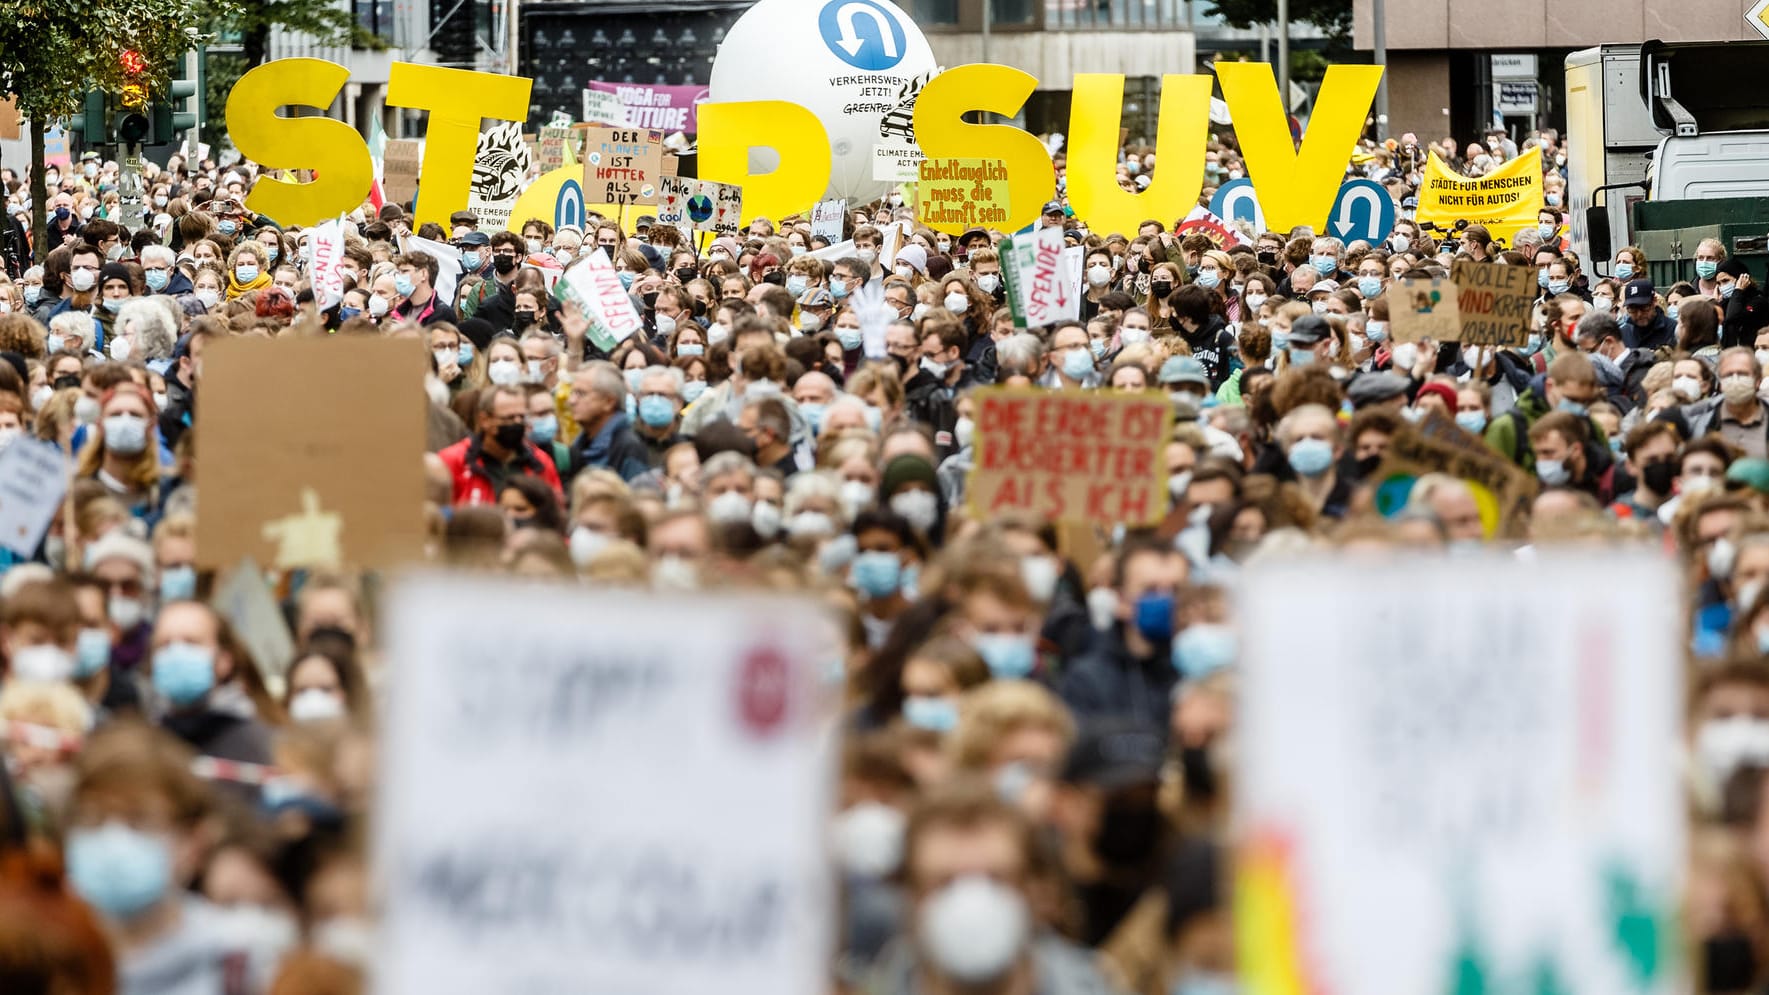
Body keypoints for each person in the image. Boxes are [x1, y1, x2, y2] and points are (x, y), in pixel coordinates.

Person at [1059, 533, 1187, 733]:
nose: (1166, 599)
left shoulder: (1200, 673)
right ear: (1120, 599)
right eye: (1150, 590)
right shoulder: (1087, 680)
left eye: (1176, 590)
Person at [437, 384, 566, 505]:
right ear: (485, 420)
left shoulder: (541, 463)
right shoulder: (453, 461)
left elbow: (555, 514)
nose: (517, 423)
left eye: (521, 417)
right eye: (509, 418)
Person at [567, 362, 650, 481]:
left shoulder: (628, 447)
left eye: (581, 393)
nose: (571, 401)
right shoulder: (580, 444)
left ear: (609, 402)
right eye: (572, 392)